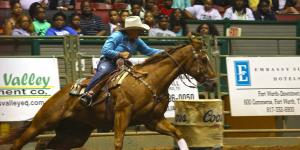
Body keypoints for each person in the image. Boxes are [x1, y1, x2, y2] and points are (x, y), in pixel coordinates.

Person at [80, 16, 161, 106]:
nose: (140, 32)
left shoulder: (137, 41)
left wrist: (167, 52)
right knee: (104, 71)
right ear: (131, 30)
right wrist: (120, 54)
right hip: (108, 61)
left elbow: (149, 51)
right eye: (138, 30)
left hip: (123, 65)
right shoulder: (117, 36)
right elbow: (105, 50)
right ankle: (87, 94)